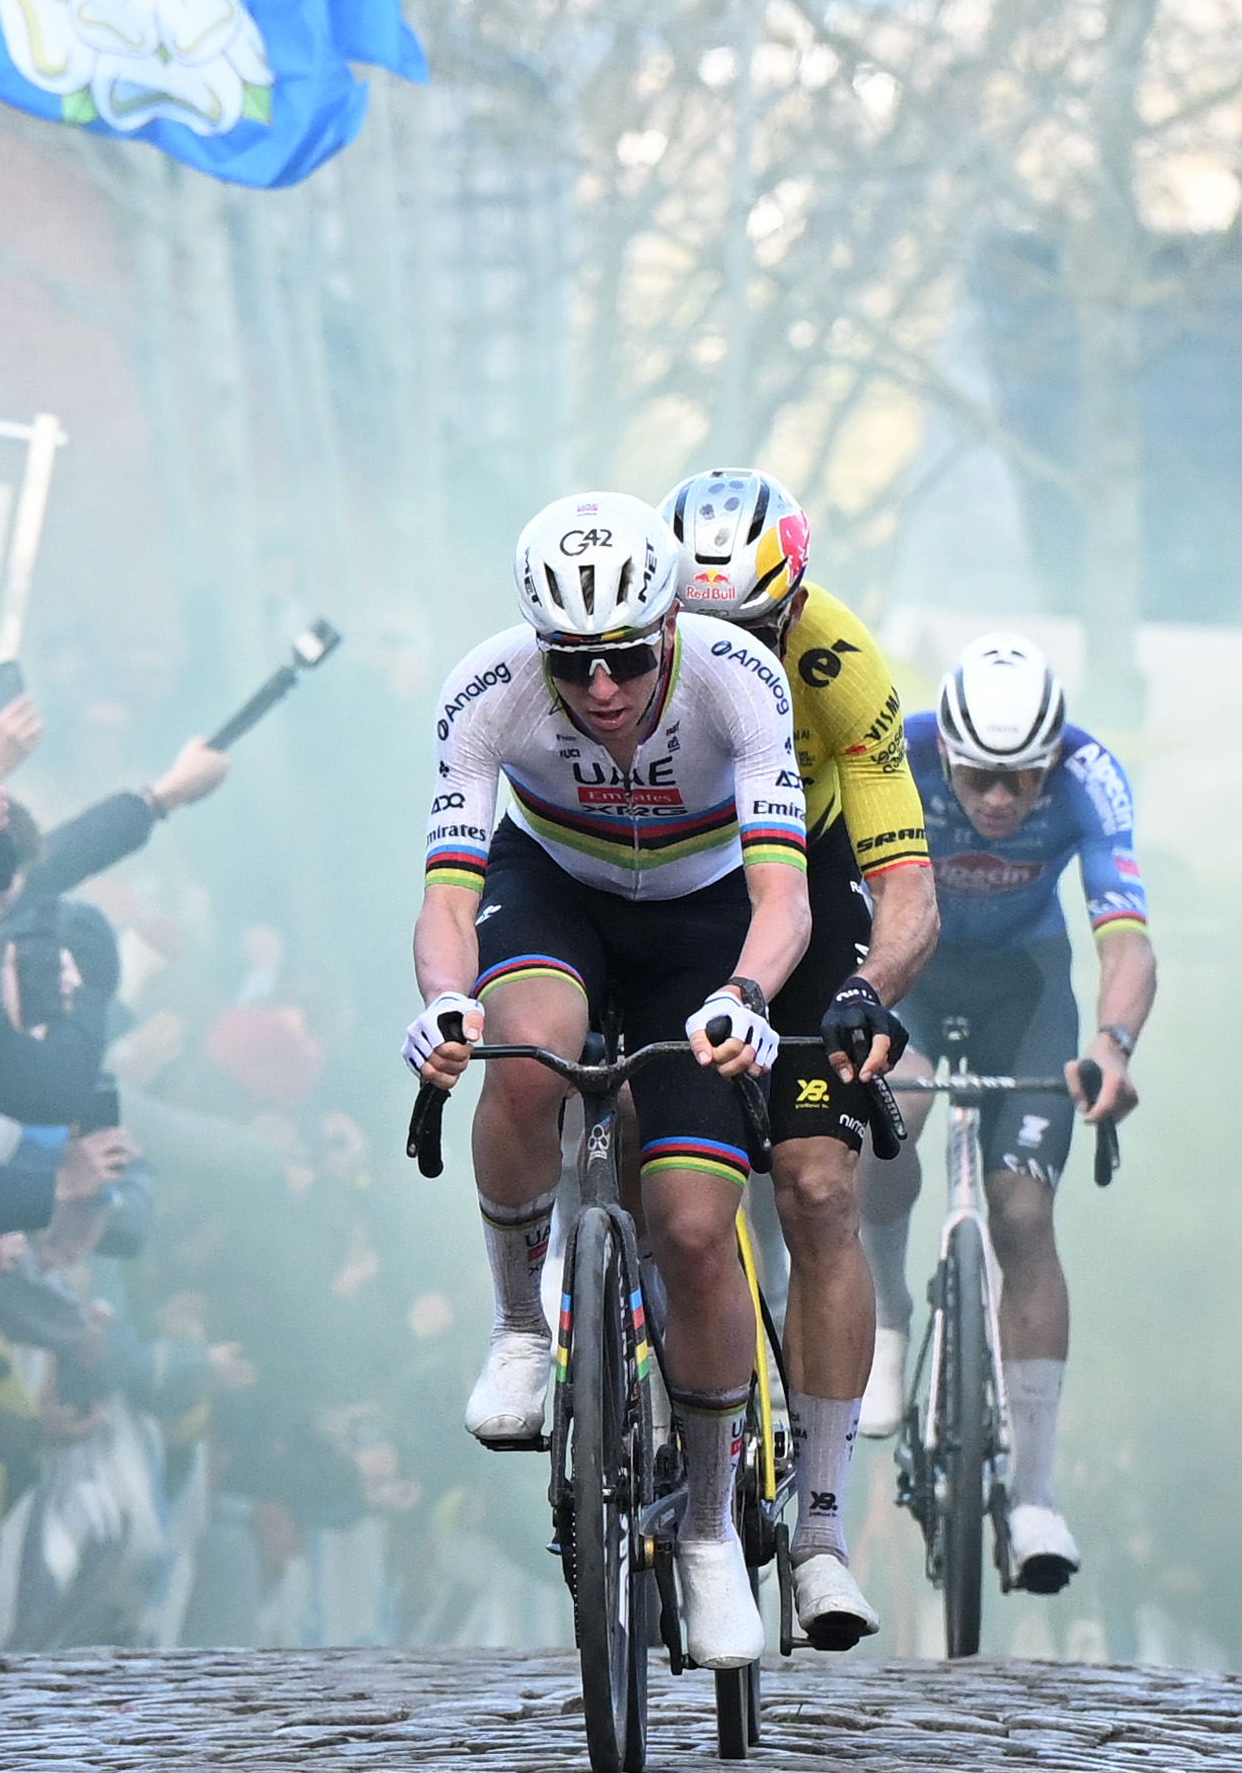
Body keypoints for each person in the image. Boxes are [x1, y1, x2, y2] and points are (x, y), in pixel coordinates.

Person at [400, 489, 810, 1673]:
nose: (599, 689)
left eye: (626, 658)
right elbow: (446, 898)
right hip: (557, 890)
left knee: (693, 1231)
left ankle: (709, 1532)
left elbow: (782, 896)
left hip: (703, 914)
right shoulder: (487, 689)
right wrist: (444, 1004)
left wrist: (745, 994)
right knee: (526, 1052)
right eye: (571, 661)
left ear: (671, 626)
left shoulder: (738, 679)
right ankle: (521, 1327)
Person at [661, 464, 934, 1648]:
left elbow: (905, 885)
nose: (730, 656)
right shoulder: (621, 667)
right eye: (700, 629)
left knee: (819, 1187)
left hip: (805, 894)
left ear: (796, 603)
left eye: (756, 628)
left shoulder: (838, 665)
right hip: (668, 887)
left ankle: (819, 1529)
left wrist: (869, 988)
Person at [870, 635, 1148, 1596]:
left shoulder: (1089, 775)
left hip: (1024, 988)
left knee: (1024, 1215)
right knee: (885, 1115)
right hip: (906, 970)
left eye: (1022, 779)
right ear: (945, 753)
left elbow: (1126, 938)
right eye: (979, 777)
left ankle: (1035, 1498)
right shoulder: (896, 752)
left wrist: (1112, 1044)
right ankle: (886, 1306)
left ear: (1053, 759)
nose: (998, 799)